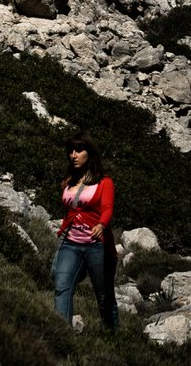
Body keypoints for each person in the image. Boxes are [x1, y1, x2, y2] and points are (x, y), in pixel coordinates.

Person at [52, 134, 119, 331]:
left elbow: (107, 208)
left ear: (89, 154)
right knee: (61, 286)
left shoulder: (104, 182)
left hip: (98, 246)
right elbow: (70, 211)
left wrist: (101, 225)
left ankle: (112, 334)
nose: (73, 155)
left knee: (104, 295)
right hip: (71, 243)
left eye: (79, 150)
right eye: (71, 151)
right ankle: (62, 333)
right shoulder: (68, 182)